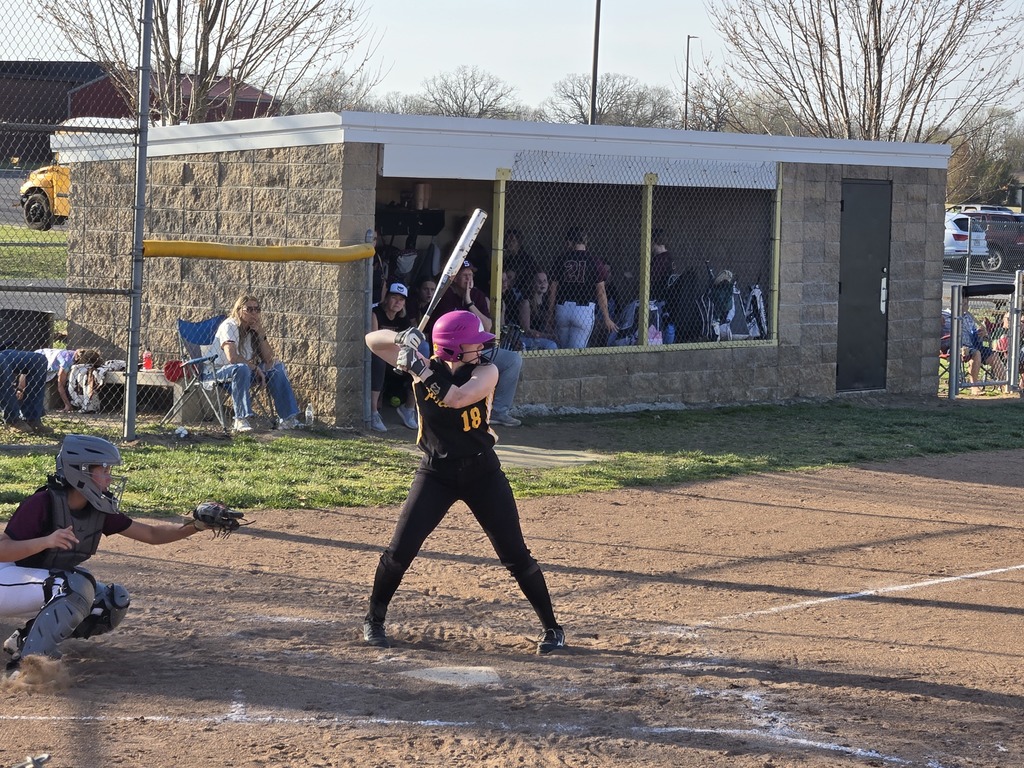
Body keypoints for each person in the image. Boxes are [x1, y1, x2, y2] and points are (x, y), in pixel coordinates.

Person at [362, 311, 566, 655]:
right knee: (400, 551)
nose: (482, 346)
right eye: (474, 342)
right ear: (454, 349)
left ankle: (552, 628)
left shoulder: (486, 371)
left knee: (515, 555)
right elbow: (371, 341)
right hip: (436, 473)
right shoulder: (424, 363)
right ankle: (374, 619)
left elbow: (456, 397)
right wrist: (401, 339)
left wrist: (420, 370)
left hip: (482, 473)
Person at [0, 435, 210, 676]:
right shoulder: (43, 503)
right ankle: (26, 667)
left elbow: (151, 534)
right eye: (104, 470)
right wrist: (46, 541)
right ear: (81, 471)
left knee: (108, 603)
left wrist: (196, 526)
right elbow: (3, 549)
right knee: (74, 587)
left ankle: (24, 640)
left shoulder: (98, 508)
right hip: (5, 579)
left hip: (30, 586)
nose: (110, 477)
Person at [426, 260, 523, 426]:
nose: (469, 278)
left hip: (477, 350)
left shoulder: (477, 295)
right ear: (455, 278)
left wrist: (469, 302)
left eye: (471, 274)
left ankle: (498, 412)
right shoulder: (445, 296)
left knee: (513, 360)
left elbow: (487, 327)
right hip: (453, 353)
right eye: (465, 275)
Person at [214, 294, 304, 433]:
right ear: (239, 310)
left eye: (257, 309)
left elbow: (268, 359)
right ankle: (240, 419)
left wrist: (261, 334)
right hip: (217, 371)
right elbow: (232, 357)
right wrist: (255, 368)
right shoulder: (229, 326)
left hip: (244, 371)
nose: (254, 313)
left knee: (276, 368)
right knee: (242, 368)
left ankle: (287, 419)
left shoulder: (253, 330)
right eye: (249, 309)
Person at [548, 227, 617, 349]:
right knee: (576, 352)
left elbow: (553, 289)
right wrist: (607, 318)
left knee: (562, 350)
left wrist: (550, 314)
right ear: (586, 242)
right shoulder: (594, 261)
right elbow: (601, 292)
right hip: (583, 310)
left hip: (562, 308)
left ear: (569, 242)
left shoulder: (561, 259)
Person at [370, 283, 418, 432]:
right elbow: (373, 339)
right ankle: (373, 413)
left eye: (401, 300)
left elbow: (408, 343)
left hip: (395, 356)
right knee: (378, 362)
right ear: (386, 299)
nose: (398, 302)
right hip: (377, 355)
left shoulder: (403, 318)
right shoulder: (375, 313)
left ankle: (408, 409)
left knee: (416, 360)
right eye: (394, 298)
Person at [35, 347, 103, 412]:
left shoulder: (75, 354)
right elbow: (60, 385)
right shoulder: (66, 363)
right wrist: (67, 404)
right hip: (38, 359)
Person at [0, 350, 52, 435]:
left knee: (38, 359)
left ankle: (31, 419)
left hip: (3, 351)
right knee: (0, 360)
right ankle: (13, 420)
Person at [960, 300, 1007, 385]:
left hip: (974, 345)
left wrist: (982, 333)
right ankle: (974, 386)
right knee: (976, 353)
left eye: (966, 303)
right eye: (962, 303)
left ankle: (1006, 386)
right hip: (957, 347)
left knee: (994, 355)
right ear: (953, 302)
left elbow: (975, 333)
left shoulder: (969, 317)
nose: (965, 305)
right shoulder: (947, 315)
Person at [517, 271, 559, 351]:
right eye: (539, 281)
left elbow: (547, 327)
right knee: (551, 345)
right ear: (532, 283)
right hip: (525, 338)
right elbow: (527, 331)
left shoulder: (545, 303)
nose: (542, 284)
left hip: (539, 337)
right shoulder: (526, 303)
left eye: (545, 281)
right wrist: (548, 336)